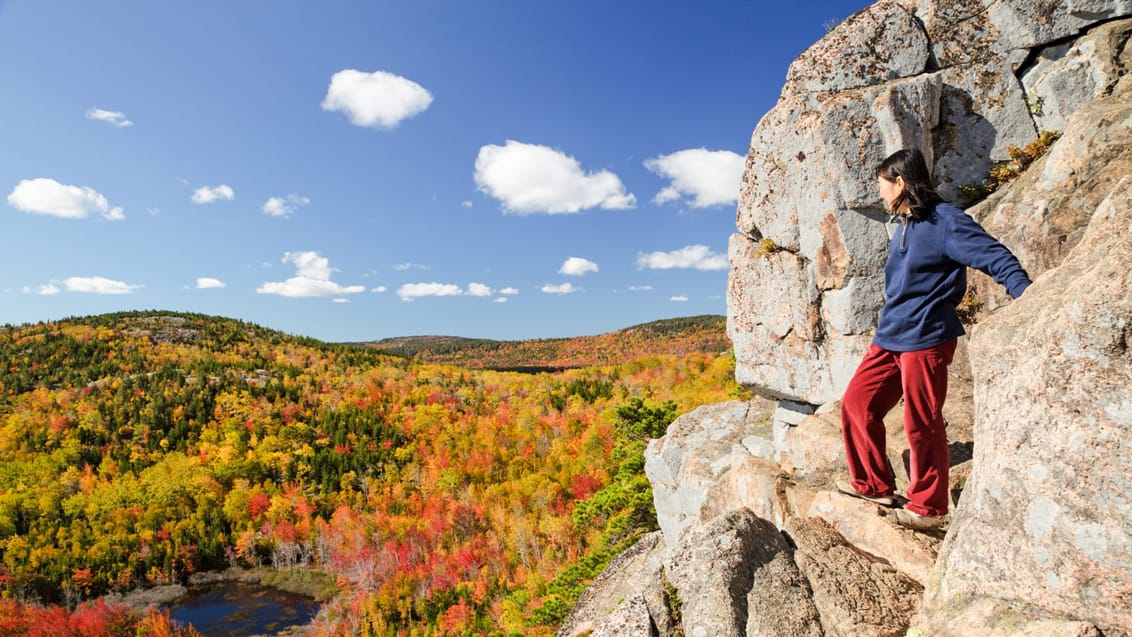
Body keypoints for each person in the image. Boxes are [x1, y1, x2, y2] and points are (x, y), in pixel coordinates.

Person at [836, 148, 1032, 530]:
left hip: (927, 338)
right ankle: (874, 485)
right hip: (889, 339)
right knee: (857, 405)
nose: (879, 194)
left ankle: (929, 508)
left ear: (900, 183)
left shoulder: (947, 221)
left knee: (921, 423)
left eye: (882, 185)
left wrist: (1027, 295)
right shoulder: (904, 225)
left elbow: (994, 255)